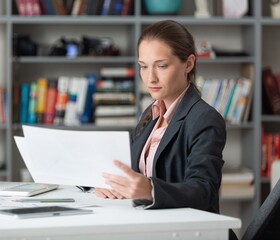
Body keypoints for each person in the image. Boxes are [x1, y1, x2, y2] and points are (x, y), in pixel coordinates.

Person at [95, 20, 226, 214]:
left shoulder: (205, 119)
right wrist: (114, 184)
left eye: (162, 66)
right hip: (148, 223)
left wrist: (151, 190)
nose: (150, 78)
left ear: (188, 64)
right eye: (144, 66)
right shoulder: (151, 112)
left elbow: (203, 190)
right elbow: (134, 174)